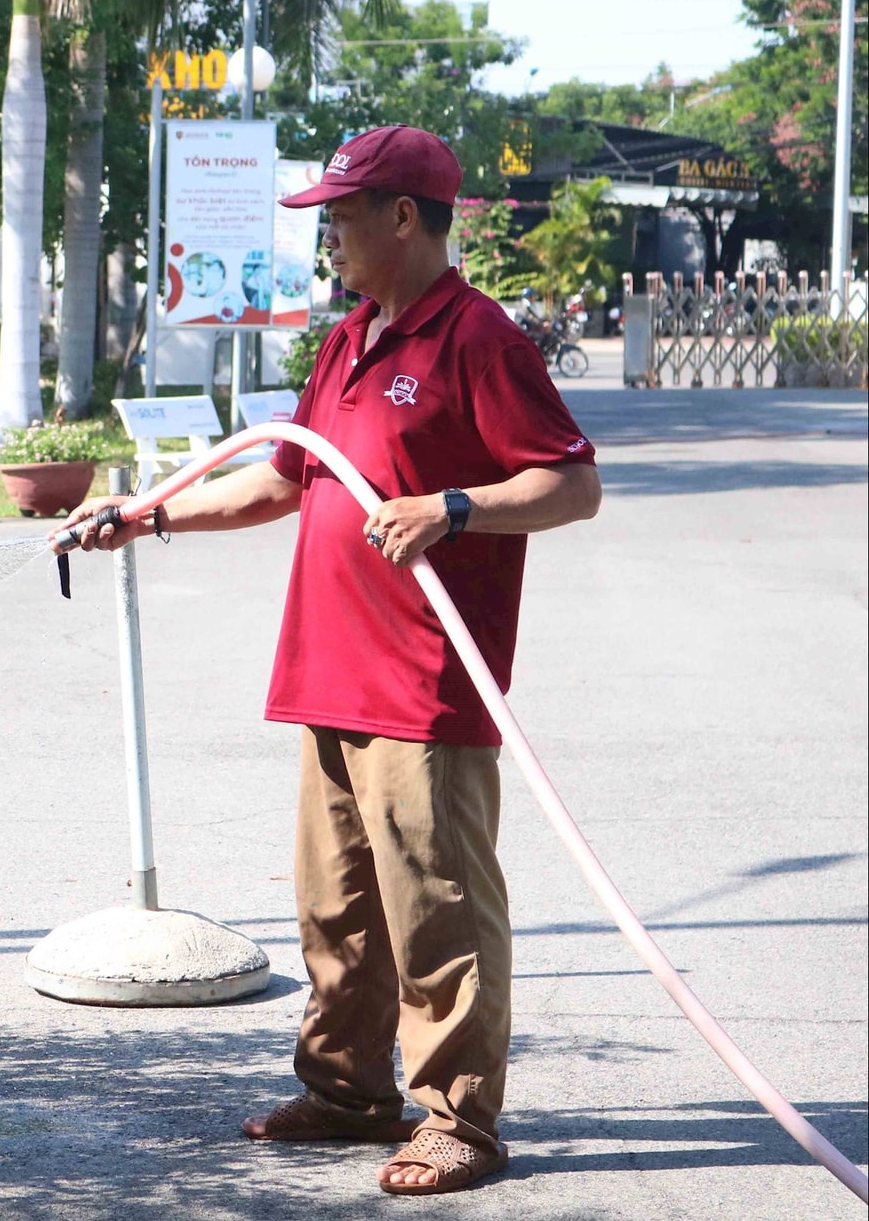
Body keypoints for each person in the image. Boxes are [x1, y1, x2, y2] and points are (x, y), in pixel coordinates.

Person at [59, 124, 602, 1196]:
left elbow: (571, 485)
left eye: (342, 216)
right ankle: (350, 1091)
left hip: (423, 685)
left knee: (437, 909)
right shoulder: (351, 337)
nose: (327, 237)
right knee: (337, 910)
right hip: (329, 671)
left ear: (405, 217)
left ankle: (460, 1120)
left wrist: (456, 507)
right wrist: (147, 515)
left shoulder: (479, 341)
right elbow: (286, 480)